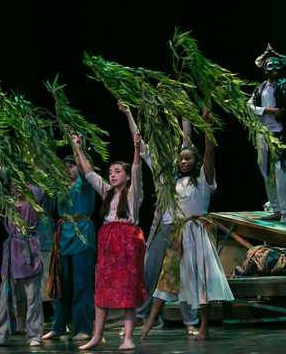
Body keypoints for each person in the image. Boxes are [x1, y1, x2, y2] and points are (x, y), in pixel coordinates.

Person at [140, 109, 234, 341]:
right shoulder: (175, 182)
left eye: (188, 158)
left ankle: (203, 326)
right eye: (181, 158)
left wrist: (208, 129)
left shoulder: (204, 178)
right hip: (180, 234)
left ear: (197, 161)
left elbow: (210, 150)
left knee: (200, 280)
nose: (183, 161)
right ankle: (151, 319)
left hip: (198, 233)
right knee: (168, 275)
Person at [118, 101, 199, 335]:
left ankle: (190, 321)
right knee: (150, 270)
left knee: (183, 273)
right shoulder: (158, 164)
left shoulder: (180, 162)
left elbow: (187, 136)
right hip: (163, 223)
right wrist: (128, 113)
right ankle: (142, 317)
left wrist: (184, 112)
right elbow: (138, 140)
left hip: (183, 225)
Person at [78, 132, 147, 351]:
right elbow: (89, 173)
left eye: (118, 171)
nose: (113, 174)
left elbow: (137, 169)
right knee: (103, 289)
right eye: (110, 172)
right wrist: (78, 148)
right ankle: (97, 335)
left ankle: (128, 338)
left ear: (127, 177)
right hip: (108, 244)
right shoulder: (107, 192)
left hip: (128, 244)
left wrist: (136, 147)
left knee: (127, 290)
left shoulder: (134, 193)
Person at [0, 153, 44, 347]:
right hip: (12, 253)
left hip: (29, 251)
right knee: (5, 295)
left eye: (21, 182)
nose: (16, 187)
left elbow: (36, 187)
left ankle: (34, 335)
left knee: (33, 296)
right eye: (13, 184)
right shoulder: (9, 205)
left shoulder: (34, 200)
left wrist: (29, 166)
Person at [43, 152, 96, 342]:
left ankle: (84, 328)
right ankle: (59, 326)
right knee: (60, 283)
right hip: (63, 234)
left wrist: (77, 149)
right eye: (65, 165)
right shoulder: (60, 187)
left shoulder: (86, 184)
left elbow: (85, 168)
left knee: (82, 284)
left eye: (72, 165)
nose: (68, 168)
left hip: (82, 233)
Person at [249, 44, 286, 222]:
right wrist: (267, 110)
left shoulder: (284, 85)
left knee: (280, 171)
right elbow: (249, 106)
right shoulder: (260, 88)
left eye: (277, 65)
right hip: (262, 133)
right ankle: (276, 208)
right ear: (265, 69)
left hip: (279, 132)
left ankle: (285, 210)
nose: (274, 68)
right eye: (270, 65)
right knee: (266, 170)